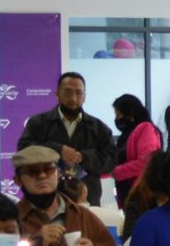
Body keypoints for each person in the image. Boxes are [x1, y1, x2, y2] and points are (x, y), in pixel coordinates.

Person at [12, 145, 121, 246]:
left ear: (58, 174)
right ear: (17, 180)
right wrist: (35, 244)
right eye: (33, 171)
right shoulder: (11, 219)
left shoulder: (82, 215)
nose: (42, 175)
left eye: (48, 169)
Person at [16, 72, 118, 205]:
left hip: (87, 201)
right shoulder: (38, 123)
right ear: (57, 94)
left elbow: (111, 161)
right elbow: (24, 150)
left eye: (79, 93)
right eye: (68, 92)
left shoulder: (99, 127)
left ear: (85, 96)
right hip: (45, 200)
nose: (73, 98)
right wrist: (58, 150)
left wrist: (83, 157)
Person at [107, 92, 163, 206]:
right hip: (128, 193)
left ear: (131, 114)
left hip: (142, 195)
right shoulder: (126, 135)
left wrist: (116, 172)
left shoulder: (145, 129)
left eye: (118, 115)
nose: (116, 119)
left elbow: (146, 162)